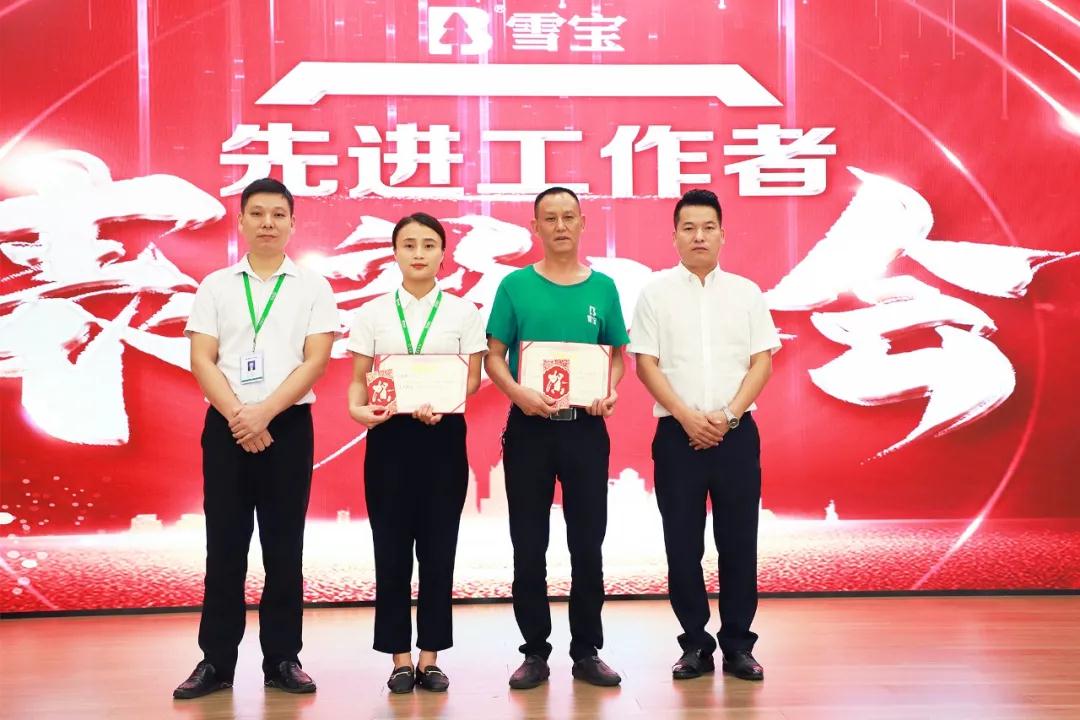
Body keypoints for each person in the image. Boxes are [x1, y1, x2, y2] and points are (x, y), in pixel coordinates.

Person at [173, 178, 339, 699]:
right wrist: (240, 417)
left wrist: (265, 412)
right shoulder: (215, 286)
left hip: (288, 426)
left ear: (292, 223)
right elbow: (202, 358)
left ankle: (283, 659)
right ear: (242, 221)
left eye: (278, 214)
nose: (268, 223)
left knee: (284, 548)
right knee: (224, 547)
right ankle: (215, 662)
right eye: (258, 213)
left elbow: (316, 360)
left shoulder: (313, 287)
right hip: (227, 426)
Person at [629, 188, 781, 682]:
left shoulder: (747, 293)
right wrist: (687, 417)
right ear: (674, 235)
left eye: (708, 227)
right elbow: (646, 364)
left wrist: (729, 416)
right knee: (682, 545)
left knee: (739, 543)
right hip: (678, 436)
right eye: (689, 228)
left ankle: (738, 645)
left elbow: (762, 361)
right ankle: (694, 644)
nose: (699, 236)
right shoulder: (654, 293)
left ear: (722, 234)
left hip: (736, 435)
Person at [484, 187, 628, 689]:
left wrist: (608, 390)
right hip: (529, 429)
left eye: (569, 216)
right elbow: (494, 357)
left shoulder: (604, 288)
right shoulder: (514, 286)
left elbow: (616, 356)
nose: (561, 226)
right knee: (529, 543)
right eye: (550, 218)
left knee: (587, 543)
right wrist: (518, 394)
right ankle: (534, 652)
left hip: (585, 429)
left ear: (583, 222)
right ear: (536, 227)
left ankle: (587, 650)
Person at [347, 213, 486, 694]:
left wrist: (442, 401)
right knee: (390, 553)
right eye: (409, 244)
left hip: (444, 438)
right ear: (395, 253)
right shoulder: (372, 313)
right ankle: (399, 660)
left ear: (443, 253)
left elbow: (471, 379)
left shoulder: (464, 313)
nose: (419, 253)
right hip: (389, 439)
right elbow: (358, 381)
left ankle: (430, 657)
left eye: (429, 244)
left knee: (438, 552)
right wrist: (357, 410)